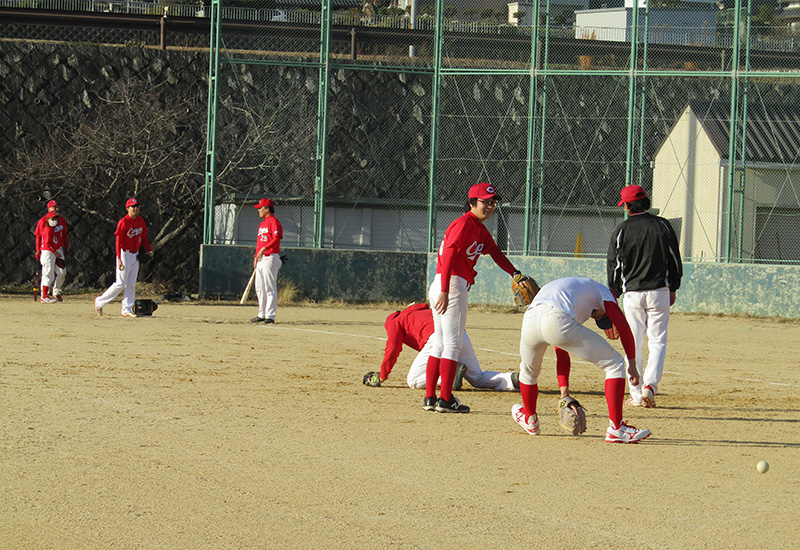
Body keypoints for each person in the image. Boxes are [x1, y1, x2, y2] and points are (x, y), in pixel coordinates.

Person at [425, 182, 527, 413]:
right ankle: (445, 400)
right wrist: (444, 289)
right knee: (452, 344)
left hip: (446, 283)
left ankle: (431, 397)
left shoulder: (479, 228)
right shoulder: (463, 224)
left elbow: (495, 252)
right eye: (485, 202)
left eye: (493, 203)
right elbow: (449, 252)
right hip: (450, 283)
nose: (490, 206)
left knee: (440, 342)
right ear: (472, 202)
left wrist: (515, 272)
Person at [512, 276, 651, 443]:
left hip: (530, 318)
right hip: (555, 317)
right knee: (615, 363)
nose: (598, 318)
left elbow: (561, 351)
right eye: (602, 316)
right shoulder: (604, 292)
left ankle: (530, 420)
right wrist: (633, 365)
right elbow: (623, 325)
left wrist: (565, 393)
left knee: (528, 373)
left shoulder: (572, 295)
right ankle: (616, 428)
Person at [607, 184, 682, 408]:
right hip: (659, 291)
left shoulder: (621, 230)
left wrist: (614, 294)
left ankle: (636, 393)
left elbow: (614, 266)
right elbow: (674, 259)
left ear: (628, 206)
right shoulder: (663, 225)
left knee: (634, 343)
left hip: (632, 294)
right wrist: (673, 287)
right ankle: (650, 385)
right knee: (657, 341)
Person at [363, 302, 520, 391]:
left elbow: (392, 349)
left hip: (439, 337)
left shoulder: (395, 322)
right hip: (459, 333)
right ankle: (512, 380)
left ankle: (449, 376)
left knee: (414, 380)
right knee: (477, 377)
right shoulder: (415, 312)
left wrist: (382, 375)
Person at [94, 197, 153, 317]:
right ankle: (100, 301)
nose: (135, 208)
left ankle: (126, 309)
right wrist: (119, 258)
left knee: (131, 283)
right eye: (133, 206)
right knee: (120, 283)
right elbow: (118, 240)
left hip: (135, 254)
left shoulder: (140, 220)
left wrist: (149, 249)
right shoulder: (123, 222)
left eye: (137, 206)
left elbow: (144, 237)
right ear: (127, 208)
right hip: (124, 253)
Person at [251, 198, 283, 324]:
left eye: (260, 208)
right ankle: (261, 313)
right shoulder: (262, 224)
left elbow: (276, 238)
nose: (258, 210)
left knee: (269, 287)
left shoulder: (274, 222)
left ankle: (270, 315)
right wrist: (255, 257)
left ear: (267, 209)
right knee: (259, 287)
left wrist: (264, 249)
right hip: (261, 258)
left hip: (270, 257)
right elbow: (259, 243)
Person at [34, 199, 69, 301]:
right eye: (54, 207)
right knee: (48, 272)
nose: (57, 209)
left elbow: (65, 234)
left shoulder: (61, 220)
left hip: (58, 248)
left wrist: (66, 246)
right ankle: (44, 295)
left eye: (57, 206)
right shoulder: (43, 221)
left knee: (62, 272)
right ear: (49, 208)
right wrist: (37, 250)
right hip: (47, 250)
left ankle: (56, 291)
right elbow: (38, 237)